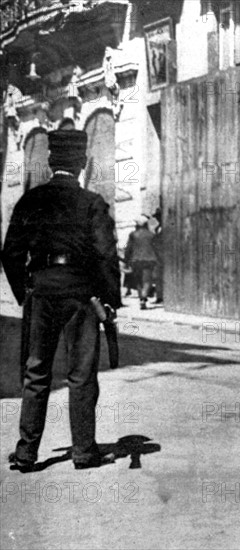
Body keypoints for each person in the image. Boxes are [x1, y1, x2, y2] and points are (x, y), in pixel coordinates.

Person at [2, 129, 121, 471]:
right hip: (81, 295)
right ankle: (83, 452)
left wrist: (25, 292)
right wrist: (109, 299)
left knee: (36, 372)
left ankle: (26, 452)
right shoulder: (92, 204)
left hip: (41, 292)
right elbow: (106, 256)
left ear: (52, 161)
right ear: (82, 163)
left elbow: (10, 253)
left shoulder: (31, 200)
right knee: (81, 374)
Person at [124, 215, 158, 310]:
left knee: (138, 282)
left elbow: (128, 248)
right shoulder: (151, 235)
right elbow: (156, 248)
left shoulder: (133, 235)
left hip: (135, 260)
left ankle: (141, 299)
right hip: (149, 260)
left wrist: (126, 261)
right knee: (147, 281)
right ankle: (144, 297)